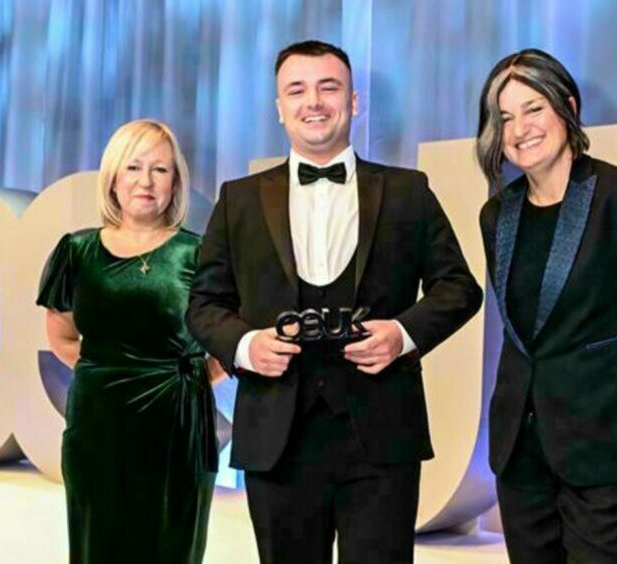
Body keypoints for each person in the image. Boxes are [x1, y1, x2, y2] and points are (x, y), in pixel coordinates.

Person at [186, 40, 482, 563]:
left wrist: (403, 335)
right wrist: (247, 345)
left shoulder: (409, 192)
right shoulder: (239, 199)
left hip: (382, 433)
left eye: (329, 87)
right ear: (279, 107)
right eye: (296, 90)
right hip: (275, 436)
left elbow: (458, 288)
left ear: (354, 101)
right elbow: (204, 304)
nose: (313, 101)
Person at [476, 49, 617, 563]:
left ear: (567, 107)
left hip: (609, 449)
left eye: (533, 109)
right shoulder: (496, 214)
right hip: (521, 457)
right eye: (504, 117)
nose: (519, 129)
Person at [37, 118, 224, 563]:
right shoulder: (76, 251)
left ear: (175, 182)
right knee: (97, 543)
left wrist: (177, 382)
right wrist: (114, 373)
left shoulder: (199, 253)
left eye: (160, 170)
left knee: (169, 546)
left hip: (177, 429)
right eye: (134, 167)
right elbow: (62, 336)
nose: (146, 181)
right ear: (113, 179)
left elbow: (224, 346)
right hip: (96, 425)